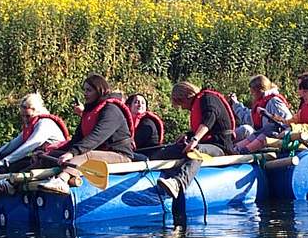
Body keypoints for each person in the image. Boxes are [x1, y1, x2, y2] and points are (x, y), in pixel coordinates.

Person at [36, 74, 134, 194]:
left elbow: (96, 137)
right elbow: (76, 140)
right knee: (53, 155)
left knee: (85, 155)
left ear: (99, 91)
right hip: (99, 153)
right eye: (84, 90)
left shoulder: (111, 110)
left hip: (120, 155)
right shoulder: (90, 111)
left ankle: (62, 181)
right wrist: (49, 152)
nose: (85, 93)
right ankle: (14, 179)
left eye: (89, 90)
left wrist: (72, 153)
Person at [153, 82, 236, 210]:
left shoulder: (208, 98)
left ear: (185, 97)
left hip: (220, 146)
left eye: (181, 104)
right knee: (167, 151)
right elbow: (201, 127)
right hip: (206, 143)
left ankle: (178, 183)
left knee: (196, 150)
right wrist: (188, 135)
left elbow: (210, 117)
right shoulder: (197, 104)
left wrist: (195, 139)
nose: (183, 108)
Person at [0, 92, 70, 173]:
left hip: (53, 160)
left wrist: (5, 161)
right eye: (23, 116)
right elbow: (10, 146)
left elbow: (29, 145)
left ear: (37, 112)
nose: (25, 120)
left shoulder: (44, 123)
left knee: (14, 169)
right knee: (11, 166)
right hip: (40, 159)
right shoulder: (31, 126)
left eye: (28, 116)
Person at [229, 75, 292, 153]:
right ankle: (234, 148)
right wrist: (235, 103)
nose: (251, 95)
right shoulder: (261, 102)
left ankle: (242, 151)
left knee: (262, 132)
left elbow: (287, 122)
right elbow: (248, 118)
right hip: (261, 134)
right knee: (246, 129)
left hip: (273, 138)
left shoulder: (274, 101)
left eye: (252, 92)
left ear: (260, 91)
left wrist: (282, 134)